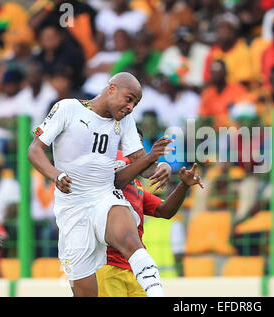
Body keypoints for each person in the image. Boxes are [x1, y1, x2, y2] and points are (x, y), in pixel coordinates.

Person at [27, 72, 173, 297]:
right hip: (72, 208)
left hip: (105, 196)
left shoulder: (126, 121)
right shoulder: (67, 108)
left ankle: (157, 293)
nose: (131, 107)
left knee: (129, 239)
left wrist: (161, 167)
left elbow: (140, 161)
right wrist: (55, 175)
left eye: (135, 103)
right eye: (129, 98)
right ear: (112, 88)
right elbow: (34, 150)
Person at [96, 137, 203, 297]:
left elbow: (164, 211)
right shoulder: (103, 174)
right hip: (107, 266)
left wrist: (184, 185)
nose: (136, 150)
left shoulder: (136, 187)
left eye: (139, 144)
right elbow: (117, 180)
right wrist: (152, 160)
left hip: (136, 268)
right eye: (133, 142)